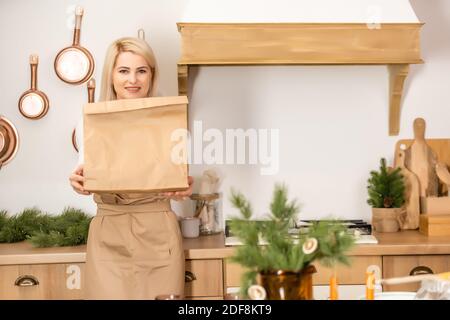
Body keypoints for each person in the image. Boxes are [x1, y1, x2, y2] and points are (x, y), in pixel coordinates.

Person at [69, 36, 193, 299]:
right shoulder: (90, 120)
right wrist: (77, 181)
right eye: (123, 71)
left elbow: (179, 182)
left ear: (152, 75)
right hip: (108, 234)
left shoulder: (170, 119)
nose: (132, 80)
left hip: (158, 232)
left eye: (141, 71)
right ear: (111, 75)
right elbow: (85, 173)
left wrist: (183, 188)